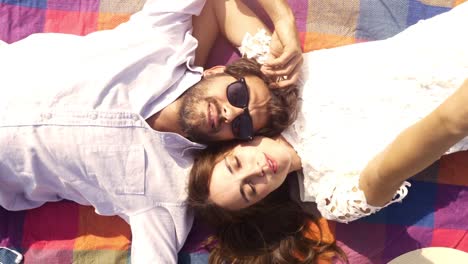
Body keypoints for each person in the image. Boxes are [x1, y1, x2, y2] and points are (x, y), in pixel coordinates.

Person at [0, 0, 302, 262]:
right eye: (238, 95)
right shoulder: (162, 40)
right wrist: (283, 21)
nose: (233, 112)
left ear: (235, 143)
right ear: (217, 71)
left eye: (244, 124)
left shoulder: (167, 193)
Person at [188, 2, 468, 262]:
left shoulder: (275, 83)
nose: (256, 171)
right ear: (262, 202)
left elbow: (218, 7)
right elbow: (404, 158)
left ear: (235, 145)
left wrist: (283, 21)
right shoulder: (334, 198)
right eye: (249, 190)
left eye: (236, 163)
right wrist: (456, 117)